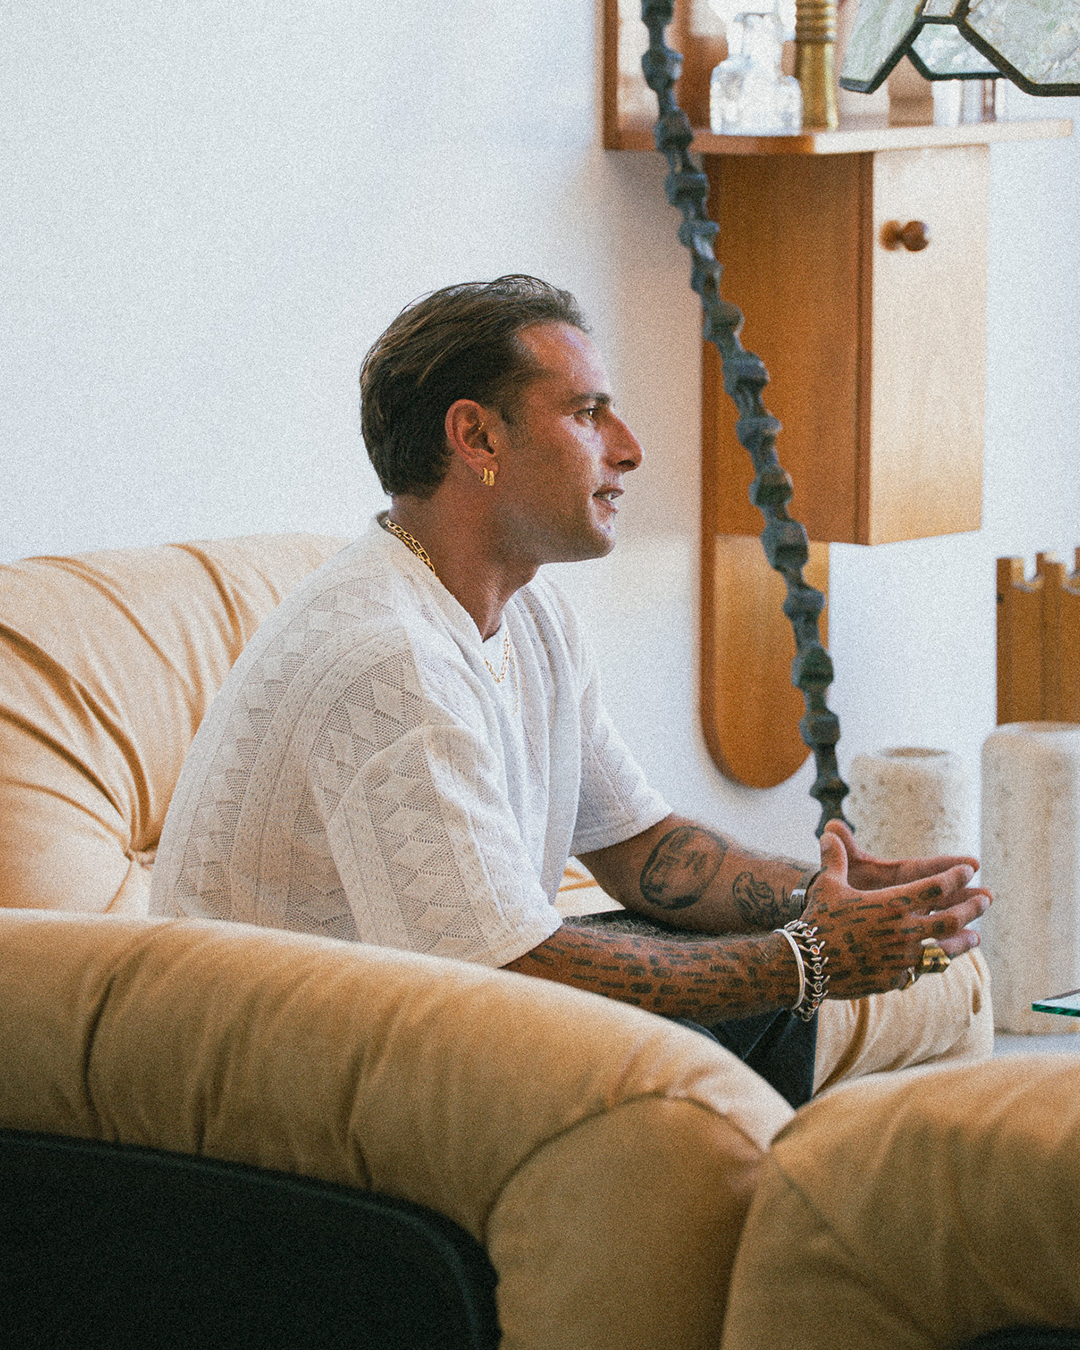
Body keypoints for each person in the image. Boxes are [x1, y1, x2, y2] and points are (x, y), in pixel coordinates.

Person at [150, 275, 991, 1108]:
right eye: (588, 414)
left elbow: (643, 850)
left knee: (773, 989)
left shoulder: (528, 608)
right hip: (287, 1077)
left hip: (421, 1011)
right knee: (755, 1006)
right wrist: (806, 957)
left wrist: (828, 900)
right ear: (476, 438)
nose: (628, 448)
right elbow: (503, 976)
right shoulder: (389, 660)